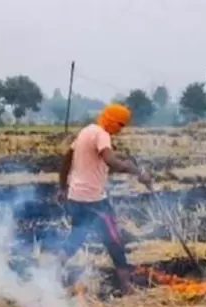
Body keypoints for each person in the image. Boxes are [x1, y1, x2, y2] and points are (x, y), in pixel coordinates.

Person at [55, 103, 153, 295]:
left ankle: (52, 274)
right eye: (121, 125)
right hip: (94, 200)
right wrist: (137, 171)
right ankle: (126, 286)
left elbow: (68, 159)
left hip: (76, 197)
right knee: (114, 240)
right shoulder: (102, 134)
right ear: (112, 121)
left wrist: (62, 187)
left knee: (76, 237)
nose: (121, 130)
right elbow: (111, 161)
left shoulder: (86, 131)